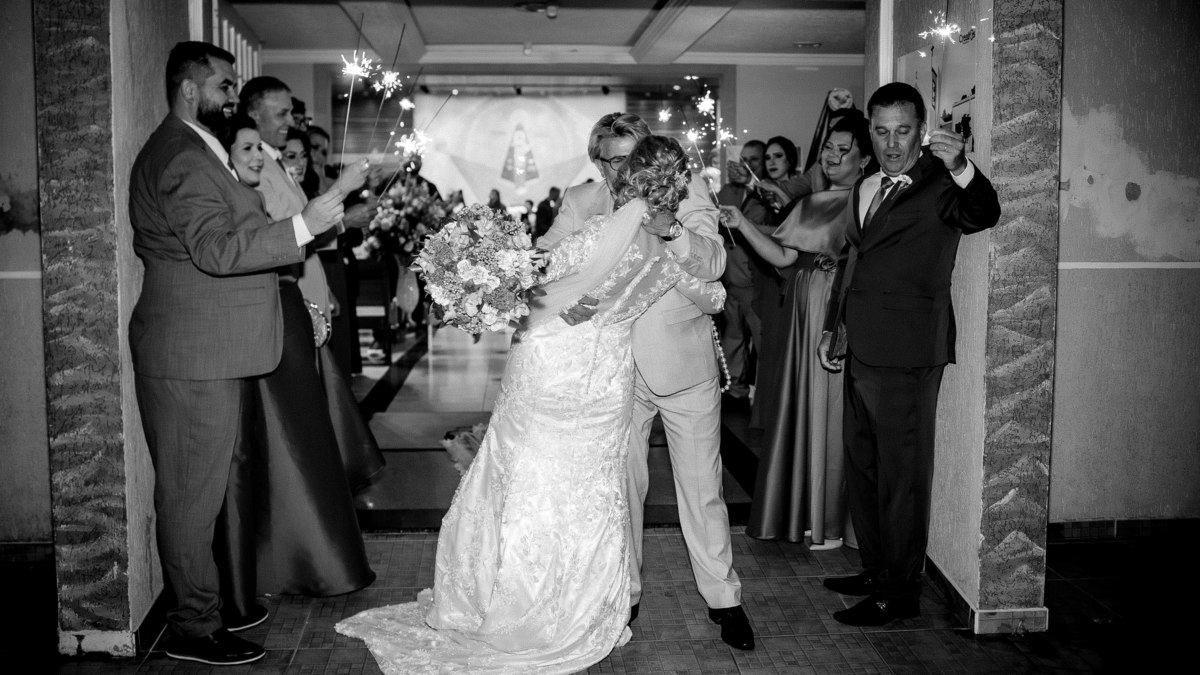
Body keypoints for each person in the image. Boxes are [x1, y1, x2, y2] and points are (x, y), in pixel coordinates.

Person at [337, 135, 721, 672]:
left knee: (526, 474)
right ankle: (578, 603)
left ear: (629, 178)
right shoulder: (665, 256)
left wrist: (480, 271)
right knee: (588, 487)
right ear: (675, 188)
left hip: (557, 363)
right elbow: (713, 295)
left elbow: (544, 274)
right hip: (605, 377)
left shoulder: (601, 231)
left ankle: (517, 596)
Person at [128, 41, 349, 665]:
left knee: (203, 489)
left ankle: (212, 605)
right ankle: (194, 627)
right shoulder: (181, 156)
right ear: (189, 88)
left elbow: (236, 231)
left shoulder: (202, 150)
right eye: (224, 85)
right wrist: (304, 225)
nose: (234, 95)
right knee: (189, 496)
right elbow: (217, 251)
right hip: (192, 351)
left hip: (212, 347)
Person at [542, 112, 752, 651]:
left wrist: (674, 231)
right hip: (613, 372)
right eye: (610, 160)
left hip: (684, 366)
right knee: (622, 491)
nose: (621, 170)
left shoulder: (686, 188)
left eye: (630, 156)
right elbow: (548, 258)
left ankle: (724, 598)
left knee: (703, 491)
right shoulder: (583, 201)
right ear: (598, 162)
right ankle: (626, 593)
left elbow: (714, 263)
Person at [818, 82, 1001, 626]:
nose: (892, 143)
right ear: (869, 133)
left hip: (910, 350)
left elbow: (984, 213)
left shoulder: (942, 181)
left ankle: (899, 593)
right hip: (861, 345)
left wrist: (962, 165)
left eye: (903, 131)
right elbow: (855, 262)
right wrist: (835, 328)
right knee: (865, 468)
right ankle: (876, 569)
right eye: (881, 132)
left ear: (921, 132)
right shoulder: (865, 184)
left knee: (902, 478)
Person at [213, 115, 375, 625]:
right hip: (270, 308)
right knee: (290, 441)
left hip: (288, 300)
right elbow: (282, 234)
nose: (260, 155)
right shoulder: (237, 185)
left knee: (303, 436)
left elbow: (293, 237)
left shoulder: (264, 170)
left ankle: (308, 555)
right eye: (247, 148)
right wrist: (342, 193)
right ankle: (301, 558)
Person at [720, 114, 874, 548]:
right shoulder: (811, 202)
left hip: (842, 306)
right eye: (828, 148)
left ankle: (835, 518)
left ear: (864, 159)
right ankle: (806, 512)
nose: (832, 156)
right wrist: (742, 223)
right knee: (804, 402)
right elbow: (784, 258)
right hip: (803, 313)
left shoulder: (871, 202)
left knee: (838, 407)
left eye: (843, 149)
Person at [715, 140, 770, 397]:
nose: (747, 165)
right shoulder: (727, 191)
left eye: (754, 160)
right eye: (743, 160)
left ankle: (766, 393)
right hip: (730, 276)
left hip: (757, 278)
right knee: (733, 336)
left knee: (762, 338)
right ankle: (734, 388)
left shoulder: (770, 193)